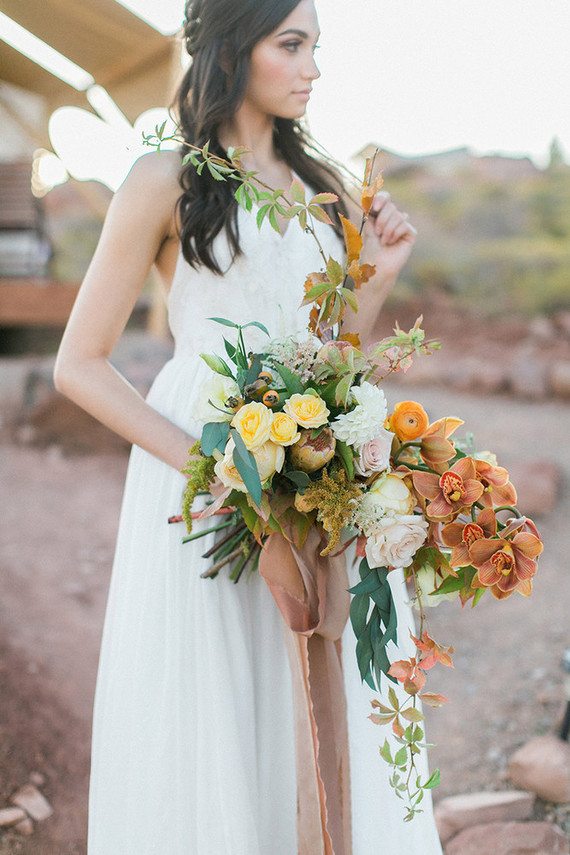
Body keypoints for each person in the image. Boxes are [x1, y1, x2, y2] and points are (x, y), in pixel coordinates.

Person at [54, 1, 443, 852]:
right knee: (215, 707)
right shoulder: (166, 180)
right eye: (292, 45)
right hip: (200, 469)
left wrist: (375, 280)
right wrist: (224, 475)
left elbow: (329, 356)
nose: (312, 69)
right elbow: (77, 363)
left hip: (310, 466)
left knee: (315, 677)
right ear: (236, 47)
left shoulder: (327, 189)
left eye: (315, 48)